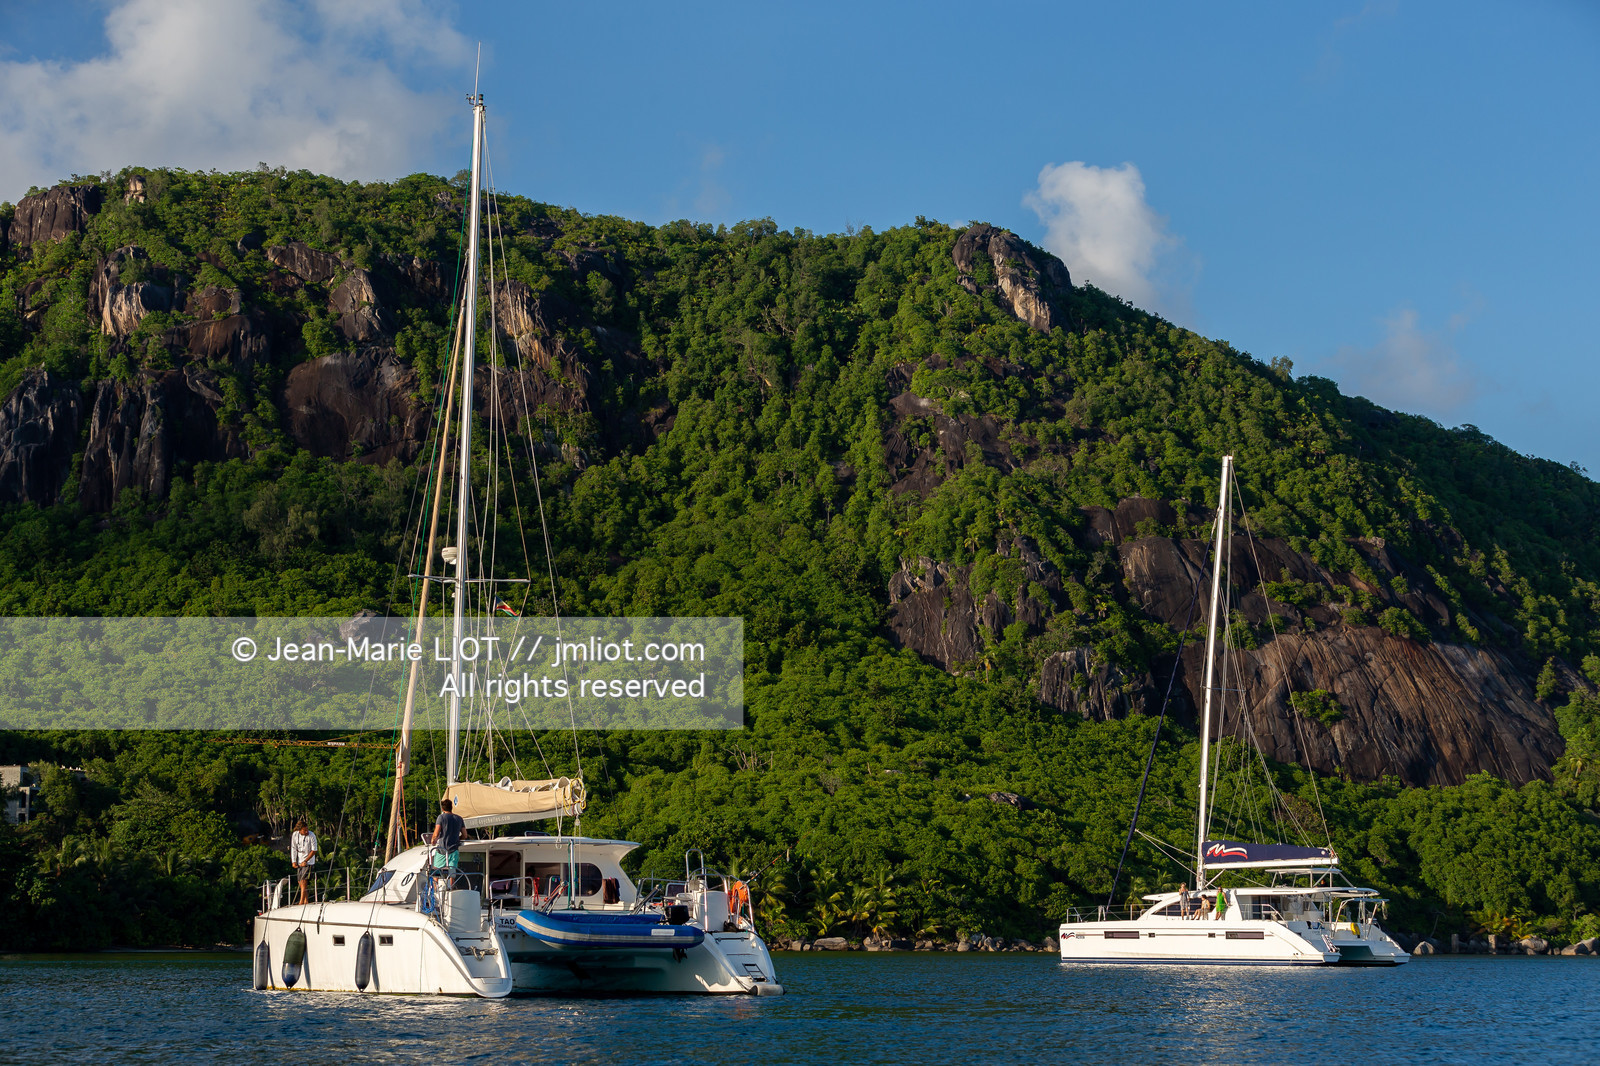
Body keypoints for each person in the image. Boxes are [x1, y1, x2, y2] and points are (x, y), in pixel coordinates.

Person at [430, 798, 465, 877]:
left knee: (436, 870)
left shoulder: (441, 817)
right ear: (451, 807)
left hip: (442, 849)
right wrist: (458, 839)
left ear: (442, 808)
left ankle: (437, 888)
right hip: (454, 849)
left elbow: (436, 833)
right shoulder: (459, 818)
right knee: (452, 872)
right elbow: (465, 835)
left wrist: (433, 841)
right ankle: (451, 888)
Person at [290, 819, 318, 905]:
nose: (306, 831)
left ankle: (301, 901)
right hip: (299, 860)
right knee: (300, 881)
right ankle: (306, 900)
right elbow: (293, 848)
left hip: (308, 861)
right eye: (304, 830)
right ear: (299, 830)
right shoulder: (295, 835)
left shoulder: (312, 835)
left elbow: (314, 850)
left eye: (307, 829)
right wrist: (294, 861)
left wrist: (305, 861)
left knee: (304, 880)